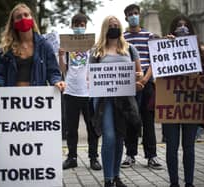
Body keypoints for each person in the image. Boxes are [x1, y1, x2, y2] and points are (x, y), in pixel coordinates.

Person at [90, 15, 142, 187]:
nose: (114, 27)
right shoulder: (97, 50)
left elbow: (139, 72)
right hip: (104, 100)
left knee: (120, 136)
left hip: (125, 100)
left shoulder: (130, 48)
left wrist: (137, 78)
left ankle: (116, 176)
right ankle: (107, 179)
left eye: (116, 25)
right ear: (105, 28)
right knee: (109, 137)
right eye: (111, 25)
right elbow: (89, 76)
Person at [0, 3, 65, 92]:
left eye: (26, 15)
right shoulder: (6, 49)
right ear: (13, 23)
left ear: (31, 18)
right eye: (18, 17)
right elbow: (0, 75)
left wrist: (57, 82)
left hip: (38, 98)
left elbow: (53, 72)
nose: (23, 19)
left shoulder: (44, 46)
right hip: (12, 98)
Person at [121, 4, 162, 169]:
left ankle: (152, 156)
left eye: (135, 13)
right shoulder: (122, 38)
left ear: (140, 15)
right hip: (128, 84)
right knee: (131, 120)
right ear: (126, 17)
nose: (133, 16)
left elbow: (155, 60)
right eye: (130, 14)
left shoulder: (150, 36)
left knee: (148, 120)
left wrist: (144, 80)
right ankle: (130, 155)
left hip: (147, 84)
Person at [59, 13, 101, 171]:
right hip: (71, 91)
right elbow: (63, 70)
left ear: (86, 26)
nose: (79, 27)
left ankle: (93, 158)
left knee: (92, 128)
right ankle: (72, 157)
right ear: (72, 26)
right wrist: (61, 55)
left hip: (89, 92)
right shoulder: (67, 45)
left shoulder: (93, 45)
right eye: (76, 25)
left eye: (82, 25)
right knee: (71, 128)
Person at [164, 15, 199, 187]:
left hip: (189, 104)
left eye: (186, 25)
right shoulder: (165, 48)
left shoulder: (197, 49)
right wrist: (165, 47)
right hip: (170, 104)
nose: (182, 28)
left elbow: (202, 77)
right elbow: (160, 73)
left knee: (189, 148)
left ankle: (189, 183)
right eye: (179, 25)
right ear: (173, 29)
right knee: (172, 148)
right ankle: (174, 183)